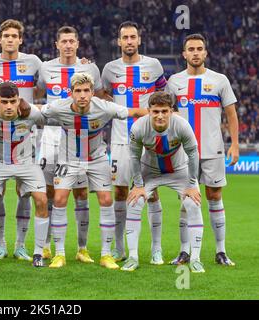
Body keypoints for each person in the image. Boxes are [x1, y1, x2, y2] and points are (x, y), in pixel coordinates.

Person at [39, 72, 147, 269]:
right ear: (70, 93)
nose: (82, 95)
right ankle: (59, 254)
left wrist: (163, 112)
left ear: (92, 92)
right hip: (68, 160)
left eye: (86, 91)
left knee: (106, 200)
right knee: (60, 199)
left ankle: (106, 255)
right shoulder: (59, 107)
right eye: (78, 91)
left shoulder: (104, 107)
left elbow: (133, 112)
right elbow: (37, 110)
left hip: (96, 160)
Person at [166, 33, 239, 266]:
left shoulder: (220, 80)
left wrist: (235, 144)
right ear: (184, 53)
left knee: (214, 196)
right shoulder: (174, 81)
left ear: (205, 53)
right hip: (184, 153)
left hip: (213, 150)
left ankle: (220, 251)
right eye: (191, 49)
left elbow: (231, 114)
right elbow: (165, 113)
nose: (195, 52)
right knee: (187, 201)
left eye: (199, 49)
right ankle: (184, 251)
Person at [35, 26, 106, 263]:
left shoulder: (90, 68)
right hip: (51, 136)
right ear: (57, 44)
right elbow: (38, 92)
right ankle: (46, 246)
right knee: (49, 192)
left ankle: (82, 247)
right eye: (63, 41)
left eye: (71, 41)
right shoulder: (45, 67)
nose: (67, 45)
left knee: (81, 191)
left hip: (79, 136)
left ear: (77, 44)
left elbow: (100, 97)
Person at [101, 21, 167, 264]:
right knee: (119, 192)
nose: (129, 41)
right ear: (119, 42)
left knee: (152, 193)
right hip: (119, 141)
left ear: (139, 40)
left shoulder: (154, 65)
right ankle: (119, 248)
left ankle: (156, 249)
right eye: (124, 37)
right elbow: (101, 95)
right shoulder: (109, 69)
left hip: (150, 141)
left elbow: (164, 96)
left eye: (133, 37)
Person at [121, 92, 205, 273]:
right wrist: (138, 184)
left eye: (164, 111)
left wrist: (191, 184)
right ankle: (133, 257)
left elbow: (193, 154)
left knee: (193, 203)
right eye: (156, 111)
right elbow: (134, 157)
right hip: (150, 170)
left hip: (179, 170)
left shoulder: (182, 125)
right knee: (134, 202)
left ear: (171, 111)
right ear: (149, 111)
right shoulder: (138, 127)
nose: (160, 115)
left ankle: (195, 259)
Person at [0, 19, 42, 261]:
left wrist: (28, 106)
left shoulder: (34, 62)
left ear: (20, 39)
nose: (10, 39)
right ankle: (0, 244)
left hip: (26, 131)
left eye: (14, 36)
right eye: (5, 35)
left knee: (24, 191)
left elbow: (45, 86)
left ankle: (20, 245)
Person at [0, 82, 49, 267]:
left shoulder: (31, 113)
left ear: (19, 101)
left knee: (41, 200)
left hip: (26, 163)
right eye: (4, 101)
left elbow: (54, 117)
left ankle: (35, 252)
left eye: (13, 101)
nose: (9, 106)